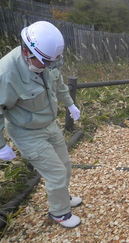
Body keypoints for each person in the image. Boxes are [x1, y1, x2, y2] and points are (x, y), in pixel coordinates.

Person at [0, 21, 82, 228]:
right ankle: (60, 213)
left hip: (49, 123)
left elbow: (60, 85)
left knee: (65, 165)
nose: (48, 67)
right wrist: (1, 145)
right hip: (27, 132)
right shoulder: (6, 73)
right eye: (44, 62)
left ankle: (62, 196)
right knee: (55, 172)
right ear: (27, 52)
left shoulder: (47, 61)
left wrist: (71, 105)